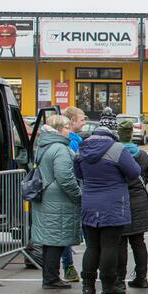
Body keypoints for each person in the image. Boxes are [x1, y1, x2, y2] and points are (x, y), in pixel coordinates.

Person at [75, 126, 140, 294]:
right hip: (114, 203)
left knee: (92, 246)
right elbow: (134, 172)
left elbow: (78, 173)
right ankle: (108, 286)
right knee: (110, 246)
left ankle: (87, 286)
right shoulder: (117, 149)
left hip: (89, 202)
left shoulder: (81, 149)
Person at [31, 115, 82, 289]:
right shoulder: (60, 148)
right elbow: (65, 178)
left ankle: (49, 277)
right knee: (57, 240)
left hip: (47, 197)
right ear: (59, 129)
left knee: (49, 240)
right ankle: (51, 278)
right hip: (59, 200)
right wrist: (78, 195)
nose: (69, 130)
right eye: (67, 127)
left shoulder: (45, 145)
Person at [115, 120, 148, 289]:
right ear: (131, 135)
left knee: (120, 242)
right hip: (138, 200)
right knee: (138, 241)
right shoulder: (142, 155)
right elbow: (146, 177)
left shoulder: (114, 154)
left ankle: (119, 279)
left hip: (120, 200)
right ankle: (141, 277)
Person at [59, 106, 87, 283]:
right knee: (69, 230)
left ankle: (71, 267)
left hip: (76, 189)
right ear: (71, 121)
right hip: (73, 191)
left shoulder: (75, 139)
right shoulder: (70, 142)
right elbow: (71, 171)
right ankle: (69, 267)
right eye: (82, 119)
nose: (84, 121)